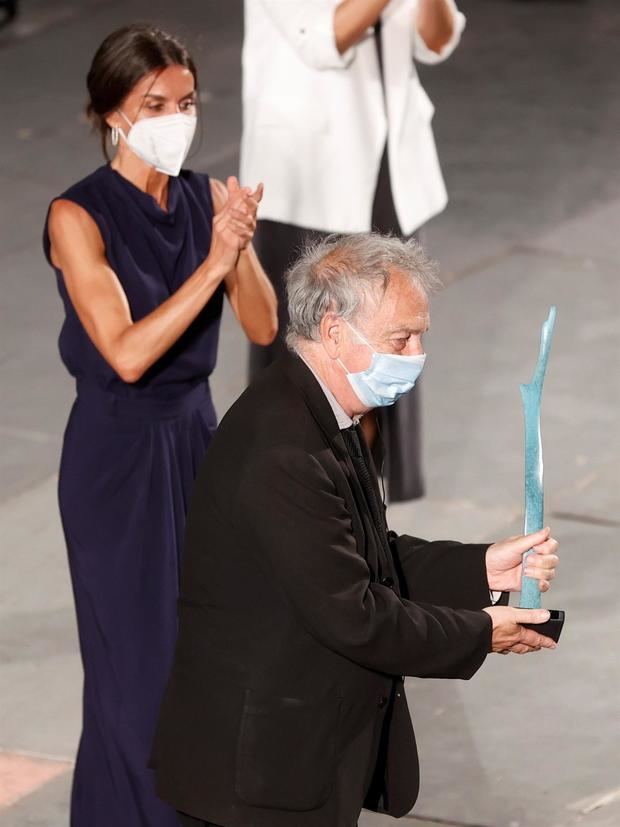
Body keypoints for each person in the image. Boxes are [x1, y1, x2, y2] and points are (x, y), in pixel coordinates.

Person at [151, 233, 560, 827]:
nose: (417, 353)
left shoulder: (324, 413)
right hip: (257, 780)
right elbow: (356, 613)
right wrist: (482, 631)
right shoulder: (283, 448)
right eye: (402, 338)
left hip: (296, 757)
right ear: (335, 330)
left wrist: (482, 569)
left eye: (421, 335)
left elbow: (361, 553)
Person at [42, 24, 277, 827]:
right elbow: (127, 354)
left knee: (205, 658)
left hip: (196, 442)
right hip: (117, 458)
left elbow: (264, 326)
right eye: (154, 104)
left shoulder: (207, 198)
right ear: (111, 112)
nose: (177, 117)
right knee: (136, 675)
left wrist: (237, 247)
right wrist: (211, 261)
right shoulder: (77, 216)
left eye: (186, 102)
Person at [241, 0, 466, 502]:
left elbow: (437, 40)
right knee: (312, 354)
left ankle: (365, 500)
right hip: (309, 177)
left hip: (390, 167)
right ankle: (290, 494)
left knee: (388, 338)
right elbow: (324, 36)